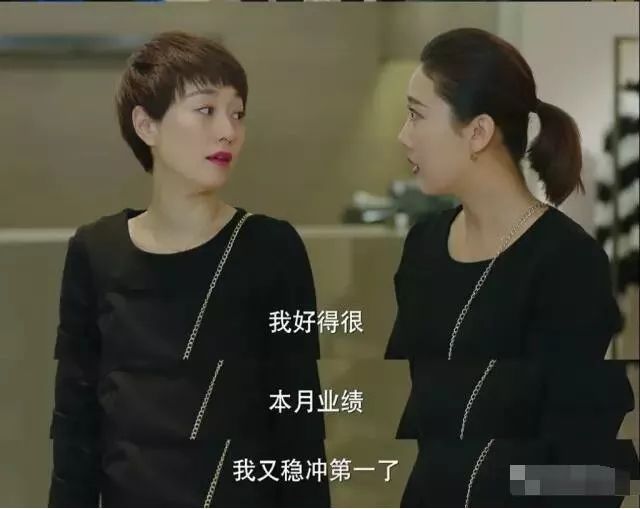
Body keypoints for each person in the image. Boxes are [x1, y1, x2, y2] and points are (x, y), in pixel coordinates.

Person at [48, 31, 330, 508]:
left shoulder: (270, 248)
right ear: (147, 125)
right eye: (206, 109)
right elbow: (75, 428)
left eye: (237, 113)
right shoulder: (95, 252)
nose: (228, 131)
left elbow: (299, 428)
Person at [385, 27, 638, 507]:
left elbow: (590, 471)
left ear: (478, 132)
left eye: (416, 115)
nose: (404, 135)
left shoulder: (566, 262)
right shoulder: (423, 246)